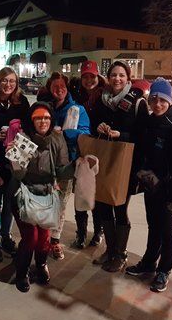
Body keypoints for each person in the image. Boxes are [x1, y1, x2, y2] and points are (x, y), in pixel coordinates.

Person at [126, 78, 172, 292]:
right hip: (153, 186)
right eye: (154, 99)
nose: (157, 104)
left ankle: (164, 270)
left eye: (162, 100)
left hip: (170, 191)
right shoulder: (150, 122)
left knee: (167, 231)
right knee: (153, 227)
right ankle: (149, 263)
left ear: (170, 100)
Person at [9, 102, 75, 292]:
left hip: (46, 194)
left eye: (46, 117)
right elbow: (19, 175)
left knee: (45, 236)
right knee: (31, 237)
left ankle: (40, 265)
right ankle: (21, 273)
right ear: (32, 120)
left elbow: (62, 171)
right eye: (38, 117)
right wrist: (16, 161)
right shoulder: (23, 138)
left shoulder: (57, 139)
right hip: (24, 193)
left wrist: (76, 164)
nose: (43, 121)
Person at [90, 61, 149, 272]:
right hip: (104, 161)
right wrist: (98, 126)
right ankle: (110, 250)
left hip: (126, 165)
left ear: (128, 78)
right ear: (108, 77)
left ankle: (121, 254)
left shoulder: (137, 102)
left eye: (121, 75)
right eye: (114, 75)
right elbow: (92, 124)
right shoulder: (101, 100)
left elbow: (144, 137)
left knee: (120, 208)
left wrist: (121, 135)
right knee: (104, 206)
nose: (117, 79)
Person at [44, 72, 90, 260]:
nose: (59, 90)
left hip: (66, 163)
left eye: (62, 86)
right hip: (45, 163)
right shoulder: (47, 108)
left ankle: (55, 240)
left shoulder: (77, 110)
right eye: (55, 87)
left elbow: (85, 133)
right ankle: (43, 237)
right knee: (45, 201)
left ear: (67, 87)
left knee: (61, 204)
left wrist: (64, 133)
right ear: (50, 89)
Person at [0, 67, 30, 261]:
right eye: (4, 80)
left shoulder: (21, 103)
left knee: (10, 201)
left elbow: (29, 129)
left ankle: (6, 235)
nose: (8, 84)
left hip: (15, 159)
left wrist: (18, 135)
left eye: (12, 81)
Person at [70, 60, 106, 249]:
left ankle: (98, 232)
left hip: (99, 149)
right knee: (80, 194)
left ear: (98, 77)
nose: (89, 80)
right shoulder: (76, 95)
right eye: (85, 76)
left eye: (92, 76)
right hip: (80, 149)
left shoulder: (105, 96)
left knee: (96, 196)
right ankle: (81, 233)